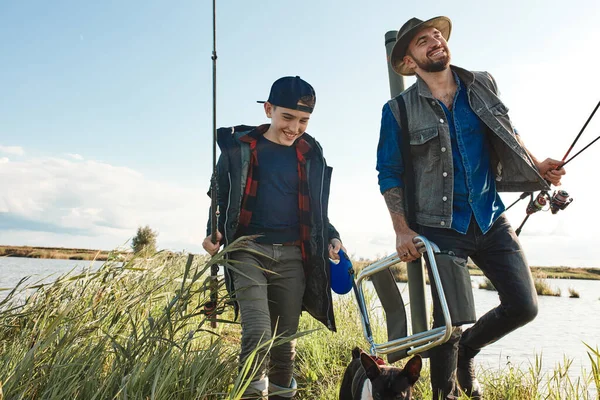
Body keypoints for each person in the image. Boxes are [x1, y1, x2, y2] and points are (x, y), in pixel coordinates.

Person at [376, 16, 566, 399]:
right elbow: (389, 172)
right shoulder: (398, 110)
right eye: (423, 42)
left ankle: (470, 350)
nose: (435, 43)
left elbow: (506, 131)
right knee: (448, 323)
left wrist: (535, 165)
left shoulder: (482, 83)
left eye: (437, 36)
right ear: (409, 62)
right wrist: (401, 228)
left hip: (490, 215)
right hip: (438, 226)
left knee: (524, 306)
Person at [202, 76, 344, 399]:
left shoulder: (311, 154)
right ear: (269, 110)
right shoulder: (238, 149)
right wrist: (211, 232)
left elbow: (316, 209)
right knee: (259, 331)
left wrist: (332, 235)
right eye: (287, 118)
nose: (294, 128)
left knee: (284, 344)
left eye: (303, 120)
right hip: (246, 250)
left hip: (293, 256)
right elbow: (218, 199)